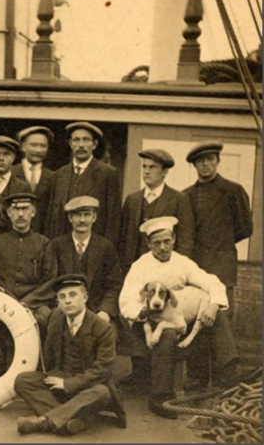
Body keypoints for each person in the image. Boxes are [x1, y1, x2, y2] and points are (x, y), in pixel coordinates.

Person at [119, 216, 240, 418]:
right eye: (156, 243)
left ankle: (229, 375)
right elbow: (126, 302)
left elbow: (211, 282)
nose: (163, 248)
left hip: (180, 317)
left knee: (216, 311)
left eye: (167, 241)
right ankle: (159, 396)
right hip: (148, 324)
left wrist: (214, 304)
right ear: (149, 244)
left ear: (174, 239)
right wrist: (147, 311)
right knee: (167, 332)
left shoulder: (183, 262)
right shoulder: (140, 266)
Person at [15, 274, 126, 436]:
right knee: (23, 380)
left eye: (73, 295)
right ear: (58, 302)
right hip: (60, 379)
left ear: (85, 297)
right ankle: (69, 421)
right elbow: (49, 358)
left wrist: (68, 384)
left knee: (101, 392)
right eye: (62, 297)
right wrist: (55, 379)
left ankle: (44, 422)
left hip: (89, 386)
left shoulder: (102, 328)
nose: (67, 301)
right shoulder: (55, 319)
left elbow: (103, 370)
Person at [183, 141, 253, 312]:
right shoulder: (186, 195)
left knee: (222, 314)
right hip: (196, 263)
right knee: (195, 312)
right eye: (200, 161)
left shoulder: (233, 191)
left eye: (209, 159)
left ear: (217, 161)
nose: (205, 164)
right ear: (194, 165)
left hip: (221, 263)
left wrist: (221, 241)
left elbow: (245, 227)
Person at [0, 193, 57, 327]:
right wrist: (7, 301)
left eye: (25, 209)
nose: (20, 214)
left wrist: (27, 302)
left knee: (46, 317)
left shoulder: (44, 243)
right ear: (9, 213)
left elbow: (50, 280)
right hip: (3, 303)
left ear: (33, 212)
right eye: (16, 209)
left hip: (34, 304)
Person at [45, 121, 121, 245]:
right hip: (61, 245)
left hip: (93, 246)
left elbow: (113, 217)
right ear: (70, 144)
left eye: (86, 140)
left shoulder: (107, 174)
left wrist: (106, 249)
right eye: (76, 140)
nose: (81, 145)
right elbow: (51, 217)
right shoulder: (59, 175)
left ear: (94, 144)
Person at [119, 149, 194, 273]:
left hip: (165, 269)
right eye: (144, 167)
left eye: (152, 167)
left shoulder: (179, 199)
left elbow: (186, 240)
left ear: (164, 172)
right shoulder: (133, 199)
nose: (147, 172)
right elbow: (123, 237)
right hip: (134, 269)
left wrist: (177, 268)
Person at [51, 196, 122, 324]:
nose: (82, 220)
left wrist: (105, 311)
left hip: (97, 311)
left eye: (87, 215)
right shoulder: (57, 246)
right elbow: (50, 282)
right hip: (65, 310)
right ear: (70, 218)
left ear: (94, 217)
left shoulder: (106, 247)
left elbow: (114, 285)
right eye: (77, 215)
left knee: (109, 335)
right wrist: (61, 307)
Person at [12, 126, 56, 235]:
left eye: (43, 146)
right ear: (22, 146)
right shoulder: (10, 173)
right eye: (34, 145)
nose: (38, 150)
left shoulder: (54, 177)